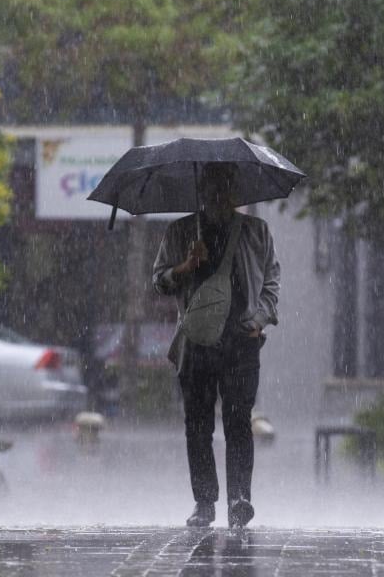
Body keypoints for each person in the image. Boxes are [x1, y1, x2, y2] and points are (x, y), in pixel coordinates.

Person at [152, 162, 281, 528]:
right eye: (210, 187)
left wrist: (259, 320)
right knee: (197, 425)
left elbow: (272, 280)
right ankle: (205, 502)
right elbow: (159, 281)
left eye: (224, 186)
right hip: (197, 344)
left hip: (242, 342)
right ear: (201, 191)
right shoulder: (181, 231)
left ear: (234, 190)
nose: (217, 194)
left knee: (238, 421)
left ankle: (240, 500)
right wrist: (186, 266)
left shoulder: (256, 231)